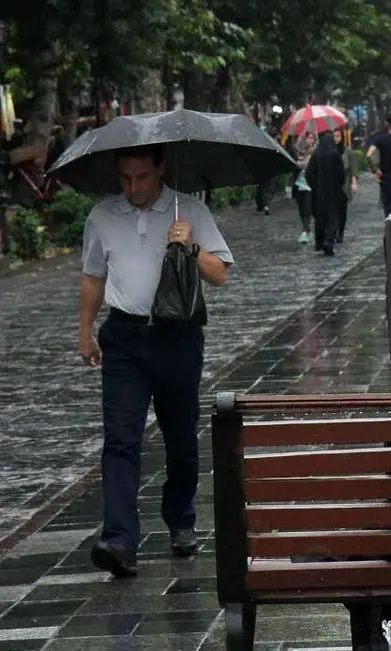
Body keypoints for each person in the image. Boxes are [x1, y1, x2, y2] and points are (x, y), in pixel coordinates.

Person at [78, 144, 233, 577]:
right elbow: (93, 276)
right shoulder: (102, 216)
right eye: (125, 178)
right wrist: (85, 332)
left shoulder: (190, 209)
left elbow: (220, 274)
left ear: (159, 170)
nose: (134, 187)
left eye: (142, 177)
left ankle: (181, 520)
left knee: (180, 436)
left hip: (176, 336)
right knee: (120, 438)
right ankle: (120, 539)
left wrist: (192, 244)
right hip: (124, 337)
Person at [305, 132, 344, 256]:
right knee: (333, 217)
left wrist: (314, 186)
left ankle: (321, 242)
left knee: (320, 218)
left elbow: (308, 174)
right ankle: (329, 240)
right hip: (334, 191)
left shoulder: (316, 154)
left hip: (319, 192)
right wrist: (339, 185)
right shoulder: (335, 154)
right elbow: (341, 173)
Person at [332, 127, 358, 243]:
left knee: (342, 208)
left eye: (338, 136)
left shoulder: (347, 151)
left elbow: (353, 168)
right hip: (331, 183)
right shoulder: (328, 151)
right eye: (334, 136)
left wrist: (354, 182)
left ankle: (340, 232)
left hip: (344, 182)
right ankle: (333, 230)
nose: (335, 139)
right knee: (332, 209)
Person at [291, 131, 316, 244]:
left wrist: (304, 162)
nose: (311, 141)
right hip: (298, 184)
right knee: (301, 208)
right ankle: (306, 229)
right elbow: (294, 167)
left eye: (313, 139)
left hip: (309, 185)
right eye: (309, 138)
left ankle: (305, 231)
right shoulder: (296, 151)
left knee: (307, 208)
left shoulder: (315, 152)